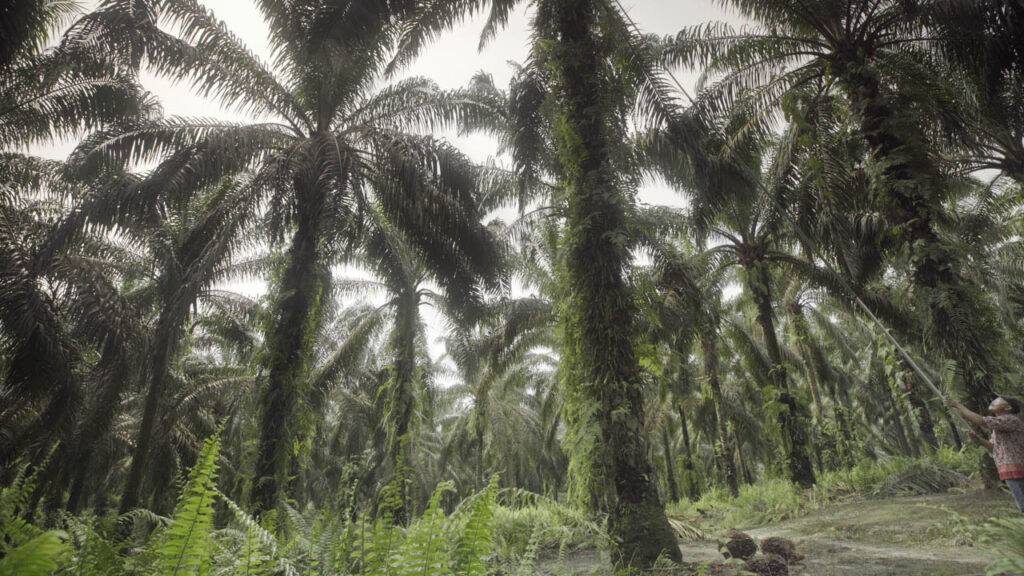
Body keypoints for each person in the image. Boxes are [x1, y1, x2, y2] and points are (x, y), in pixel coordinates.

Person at [944, 395, 1024, 513]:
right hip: (1010, 470)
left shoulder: (1010, 419)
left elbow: (982, 421)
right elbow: (993, 447)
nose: (993, 401)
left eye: (998, 400)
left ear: (1008, 407)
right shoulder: (999, 428)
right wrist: (978, 439)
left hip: (1017, 469)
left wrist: (957, 405)